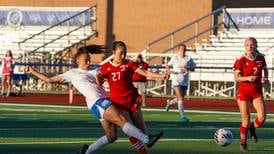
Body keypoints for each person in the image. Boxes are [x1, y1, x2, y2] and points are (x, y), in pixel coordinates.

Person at [25, 46, 163, 154]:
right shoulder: (72, 73)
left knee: (111, 137)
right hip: (98, 102)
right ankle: (147, 139)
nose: (89, 62)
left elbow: (110, 74)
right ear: (77, 61)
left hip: (104, 102)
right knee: (122, 120)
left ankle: (87, 151)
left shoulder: (94, 71)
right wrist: (32, 71)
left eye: (89, 60)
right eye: (86, 60)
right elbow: (49, 79)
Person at [99, 41, 168, 154]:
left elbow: (144, 72)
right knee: (131, 129)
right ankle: (143, 152)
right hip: (118, 104)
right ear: (113, 52)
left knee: (142, 131)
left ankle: (145, 144)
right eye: (120, 53)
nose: (123, 56)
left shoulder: (129, 64)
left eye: (125, 53)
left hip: (132, 101)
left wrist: (162, 76)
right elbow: (98, 82)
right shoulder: (105, 67)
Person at [233, 37, 268, 152]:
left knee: (262, 118)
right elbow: (236, 78)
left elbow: (265, 69)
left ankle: (253, 128)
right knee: (245, 120)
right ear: (245, 46)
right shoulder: (241, 59)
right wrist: (248, 78)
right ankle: (243, 142)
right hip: (243, 92)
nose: (250, 47)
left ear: (255, 45)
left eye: (252, 45)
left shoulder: (261, 57)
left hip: (256, 91)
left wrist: (265, 78)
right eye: (247, 45)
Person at [165, 44, 196, 123]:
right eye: (181, 49)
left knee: (180, 98)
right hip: (176, 80)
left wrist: (188, 68)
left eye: (184, 49)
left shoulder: (188, 59)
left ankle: (170, 102)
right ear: (178, 50)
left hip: (184, 80)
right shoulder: (175, 58)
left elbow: (193, 68)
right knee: (181, 99)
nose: (183, 51)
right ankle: (182, 117)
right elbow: (168, 65)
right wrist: (168, 71)